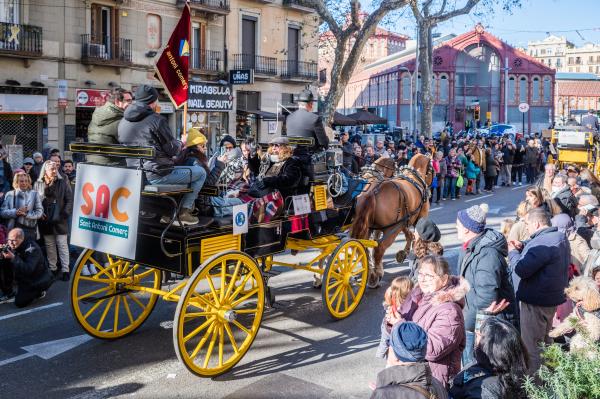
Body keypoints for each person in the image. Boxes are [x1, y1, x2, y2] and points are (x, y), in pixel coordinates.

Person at [118, 85, 206, 226]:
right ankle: (184, 212)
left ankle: (168, 213)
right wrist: (182, 142)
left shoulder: (123, 121)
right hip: (157, 175)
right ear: (152, 102)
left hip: (135, 174)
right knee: (200, 173)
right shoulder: (157, 120)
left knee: (185, 172)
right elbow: (173, 150)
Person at [508, 208, 570, 376]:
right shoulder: (558, 237)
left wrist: (513, 252)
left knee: (532, 347)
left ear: (536, 223)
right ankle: (550, 380)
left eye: (527, 224)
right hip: (550, 300)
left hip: (535, 303)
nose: (526, 228)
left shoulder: (543, 243)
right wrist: (524, 247)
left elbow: (521, 269)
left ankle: (535, 388)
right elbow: (541, 255)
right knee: (545, 343)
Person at [456, 204, 518, 366]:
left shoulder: (487, 254)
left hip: (483, 326)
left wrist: (479, 331)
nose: (456, 226)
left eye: (458, 223)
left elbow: (487, 298)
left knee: (475, 368)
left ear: (467, 229)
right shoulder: (471, 247)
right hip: (471, 319)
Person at [398, 255, 467, 387]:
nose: (422, 279)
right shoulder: (418, 296)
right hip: (413, 376)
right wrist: (392, 321)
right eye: (420, 274)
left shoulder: (449, 311)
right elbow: (399, 326)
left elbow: (432, 349)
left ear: (444, 279)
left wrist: (398, 325)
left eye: (429, 275)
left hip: (433, 382)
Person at [449, 317, 529, 399]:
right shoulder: (515, 375)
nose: (476, 341)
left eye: (480, 337)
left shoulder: (485, 390)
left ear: (491, 348)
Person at [371, 322, 448, 399]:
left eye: (389, 344)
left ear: (395, 356)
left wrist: (382, 393)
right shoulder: (437, 384)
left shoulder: (385, 395)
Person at [34, 160, 73, 281]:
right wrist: (39, 213)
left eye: (56, 168)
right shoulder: (38, 184)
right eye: (52, 169)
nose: (55, 170)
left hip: (60, 218)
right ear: (45, 170)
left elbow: (69, 199)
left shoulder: (62, 182)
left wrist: (65, 213)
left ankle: (65, 270)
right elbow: (35, 200)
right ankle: (53, 269)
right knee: (50, 245)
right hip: (45, 219)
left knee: (62, 245)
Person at [0, 228, 53, 308]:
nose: (10, 243)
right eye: (9, 239)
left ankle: (40, 291)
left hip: (35, 279)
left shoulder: (33, 249)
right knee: (4, 261)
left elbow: (28, 269)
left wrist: (14, 258)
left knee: (19, 303)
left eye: (13, 240)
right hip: (23, 277)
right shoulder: (13, 244)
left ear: (21, 239)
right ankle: (9, 292)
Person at [87, 87, 133, 165]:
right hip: (113, 166)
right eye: (128, 101)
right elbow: (130, 143)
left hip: (93, 162)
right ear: (117, 102)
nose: (131, 103)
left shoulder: (98, 113)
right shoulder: (121, 120)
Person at [376, 276, 414, 359]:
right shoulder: (407, 307)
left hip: (389, 331)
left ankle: (382, 353)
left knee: (385, 338)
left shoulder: (391, 297)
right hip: (397, 337)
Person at [0, 172, 43, 242]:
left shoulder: (34, 194)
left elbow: (39, 212)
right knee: (15, 252)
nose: (24, 183)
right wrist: (15, 212)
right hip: (14, 231)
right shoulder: (10, 194)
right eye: (21, 181)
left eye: (26, 181)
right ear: (16, 182)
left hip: (30, 230)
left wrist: (26, 214)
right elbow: (2, 212)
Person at [407, 218, 443, 282]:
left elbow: (418, 281)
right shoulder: (434, 251)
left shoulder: (425, 259)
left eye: (415, 231)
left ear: (421, 236)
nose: (414, 234)